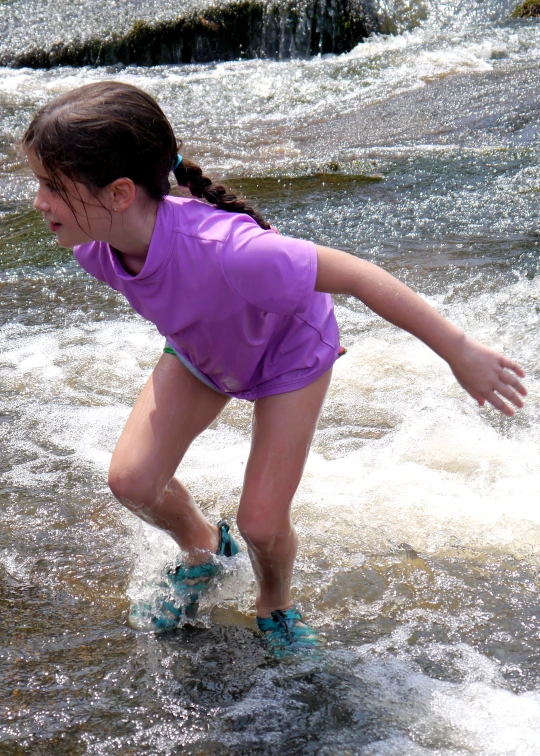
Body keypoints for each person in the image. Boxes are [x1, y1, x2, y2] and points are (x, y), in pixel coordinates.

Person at [23, 81, 527, 655]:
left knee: (263, 521)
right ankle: (204, 547)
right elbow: (184, 302)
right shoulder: (94, 244)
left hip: (289, 354)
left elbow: (360, 275)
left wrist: (460, 350)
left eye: (52, 186)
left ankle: (276, 602)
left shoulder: (230, 249)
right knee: (131, 482)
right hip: (204, 353)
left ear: (118, 193)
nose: (38, 201)